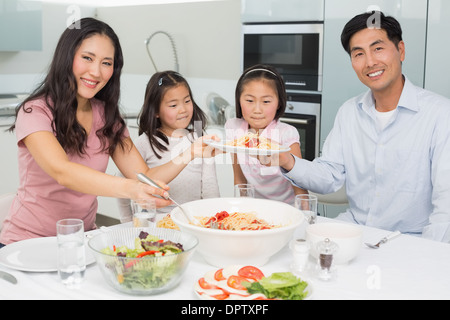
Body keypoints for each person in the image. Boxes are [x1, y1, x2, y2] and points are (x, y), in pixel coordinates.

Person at [263, 11, 450, 242]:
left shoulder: (440, 114)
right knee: (293, 250)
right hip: (354, 229)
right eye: (358, 53)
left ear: (400, 50)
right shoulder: (349, 112)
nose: (370, 62)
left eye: (378, 48)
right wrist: (286, 160)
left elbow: (446, 204)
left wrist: (432, 256)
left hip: (410, 239)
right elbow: (329, 175)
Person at [0, 18, 172, 247]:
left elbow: (143, 176)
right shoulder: (35, 112)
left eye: (106, 63)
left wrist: (191, 153)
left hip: (81, 240)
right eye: (87, 58)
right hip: (27, 242)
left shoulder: (108, 117)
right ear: (67, 56)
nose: (96, 72)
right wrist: (133, 189)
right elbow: (63, 172)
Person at [117, 71, 220, 222]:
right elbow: (122, 182)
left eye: (187, 101)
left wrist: (215, 219)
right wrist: (127, 221)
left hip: (192, 220)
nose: (183, 109)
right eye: (173, 105)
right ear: (156, 111)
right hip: (156, 224)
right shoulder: (145, 142)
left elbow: (210, 186)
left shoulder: (199, 137)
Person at [225, 64, 308, 205]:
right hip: (255, 210)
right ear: (239, 100)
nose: (257, 109)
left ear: (279, 104)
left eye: (266, 102)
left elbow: (299, 185)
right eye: (250, 101)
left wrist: (306, 216)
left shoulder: (286, 134)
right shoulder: (233, 128)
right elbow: (239, 181)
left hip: (286, 210)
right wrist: (241, 211)